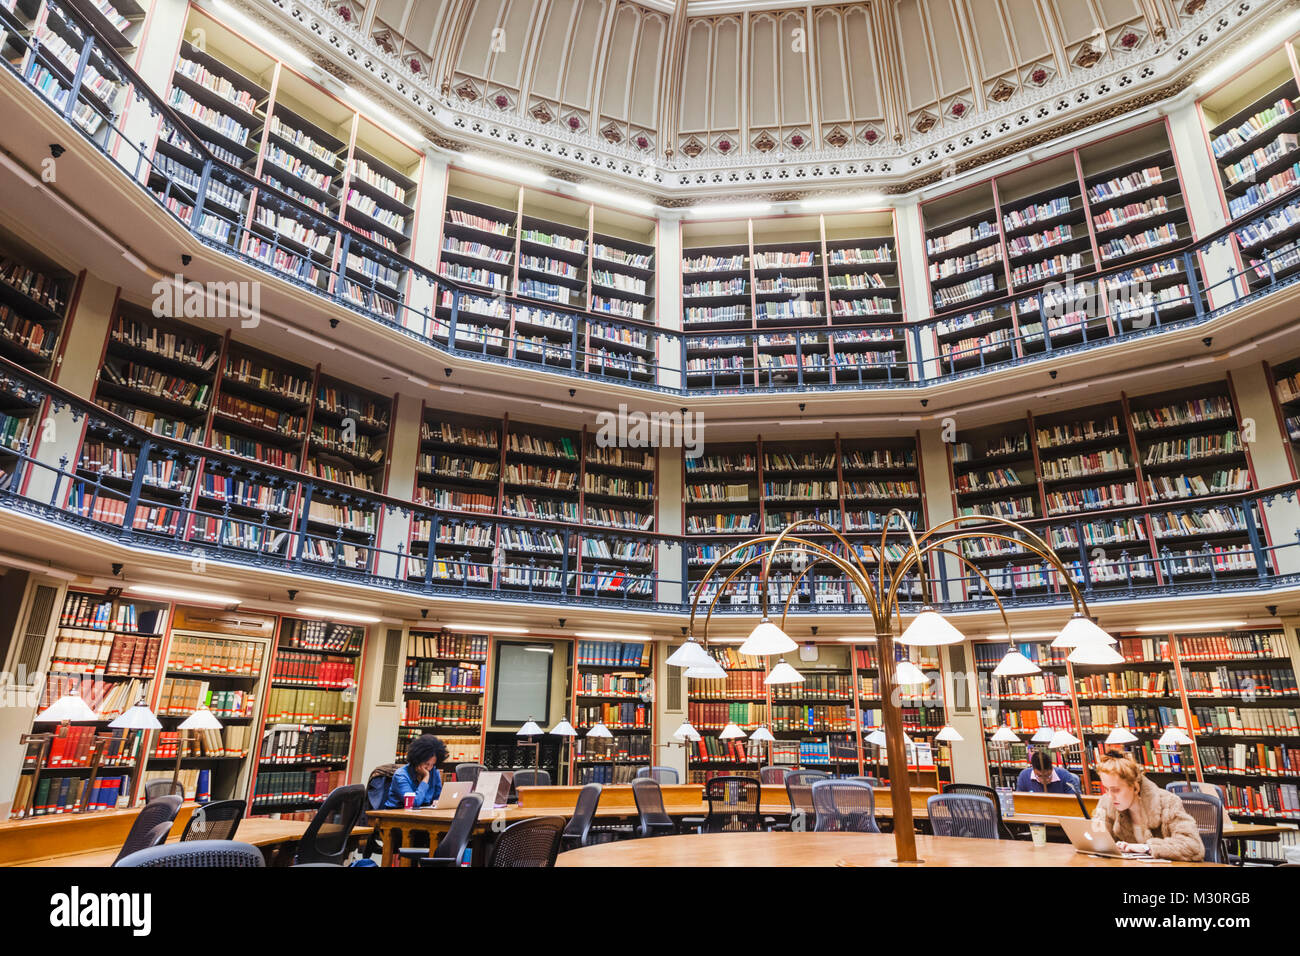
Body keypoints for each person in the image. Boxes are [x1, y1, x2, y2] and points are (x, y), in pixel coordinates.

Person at [1090, 750, 1204, 861]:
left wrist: (1147, 847)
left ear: (1135, 787)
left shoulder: (1168, 802)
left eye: (1116, 790)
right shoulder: (1107, 802)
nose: (1110, 796)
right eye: (1106, 789)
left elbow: (1193, 846)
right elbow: (1096, 840)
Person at [383, 733, 448, 809]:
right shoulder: (401, 775)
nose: (429, 768)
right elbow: (414, 803)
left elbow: (438, 796)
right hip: (397, 815)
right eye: (426, 764)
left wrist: (437, 801)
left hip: (423, 813)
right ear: (417, 760)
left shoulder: (434, 772)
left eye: (432, 764)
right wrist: (426, 778)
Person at [1016, 749, 1082, 794]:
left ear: (1052, 768)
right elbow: (1019, 801)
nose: (1044, 780)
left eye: (1048, 775)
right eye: (1039, 776)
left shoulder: (1065, 775)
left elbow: (1077, 801)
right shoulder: (1024, 776)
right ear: (1033, 769)